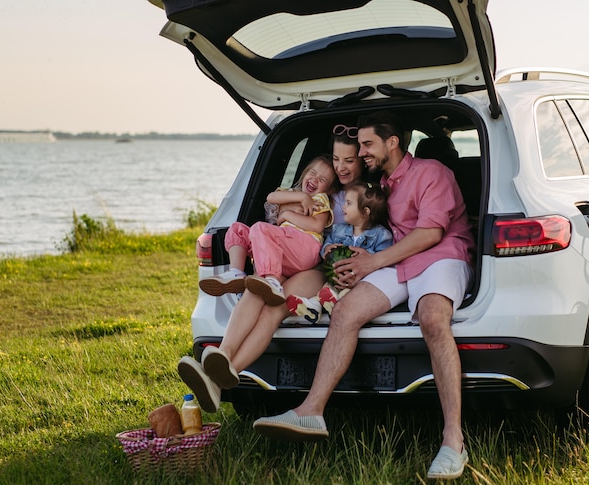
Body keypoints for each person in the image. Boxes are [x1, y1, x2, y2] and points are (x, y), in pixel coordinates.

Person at [252, 111, 475, 481]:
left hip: (441, 256)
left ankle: (453, 440)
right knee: (345, 312)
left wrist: (372, 263)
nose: (362, 152)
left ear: (393, 142)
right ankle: (311, 410)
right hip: (398, 260)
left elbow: (430, 235)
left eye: (368, 144)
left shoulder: (433, 172)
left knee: (433, 318)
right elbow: (355, 219)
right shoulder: (381, 184)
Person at [177, 127, 368, 415]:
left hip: (315, 265)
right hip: (280, 253)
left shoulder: (365, 194)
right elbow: (272, 200)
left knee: (272, 311)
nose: (341, 167)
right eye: (337, 159)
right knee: (254, 295)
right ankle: (222, 358)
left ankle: (225, 375)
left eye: (348, 161)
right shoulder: (298, 192)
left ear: (363, 160)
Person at [197, 155, 338, 306]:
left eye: (323, 180)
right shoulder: (291, 193)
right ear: (304, 173)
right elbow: (271, 197)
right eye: (312, 173)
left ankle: (272, 280)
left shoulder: (320, 199)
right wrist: (301, 197)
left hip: (305, 248)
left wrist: (286, 215)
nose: (315, 179)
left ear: (329, 189)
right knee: (237, 229)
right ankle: (236, 272)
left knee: (260, 228)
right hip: (285, 248)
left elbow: (317, 226)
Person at [286, 180, 392, 323]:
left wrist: (366, 256)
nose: (343, 207)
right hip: (336, 276)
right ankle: (314, 306)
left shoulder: (381, 235)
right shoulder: (339, 229)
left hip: (361, 280)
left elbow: (384, 259)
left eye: (349, 203)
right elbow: (328, 243)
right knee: (328, 286)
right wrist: (327, 249)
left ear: (365, 212)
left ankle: (334, 303)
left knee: (346, 292)